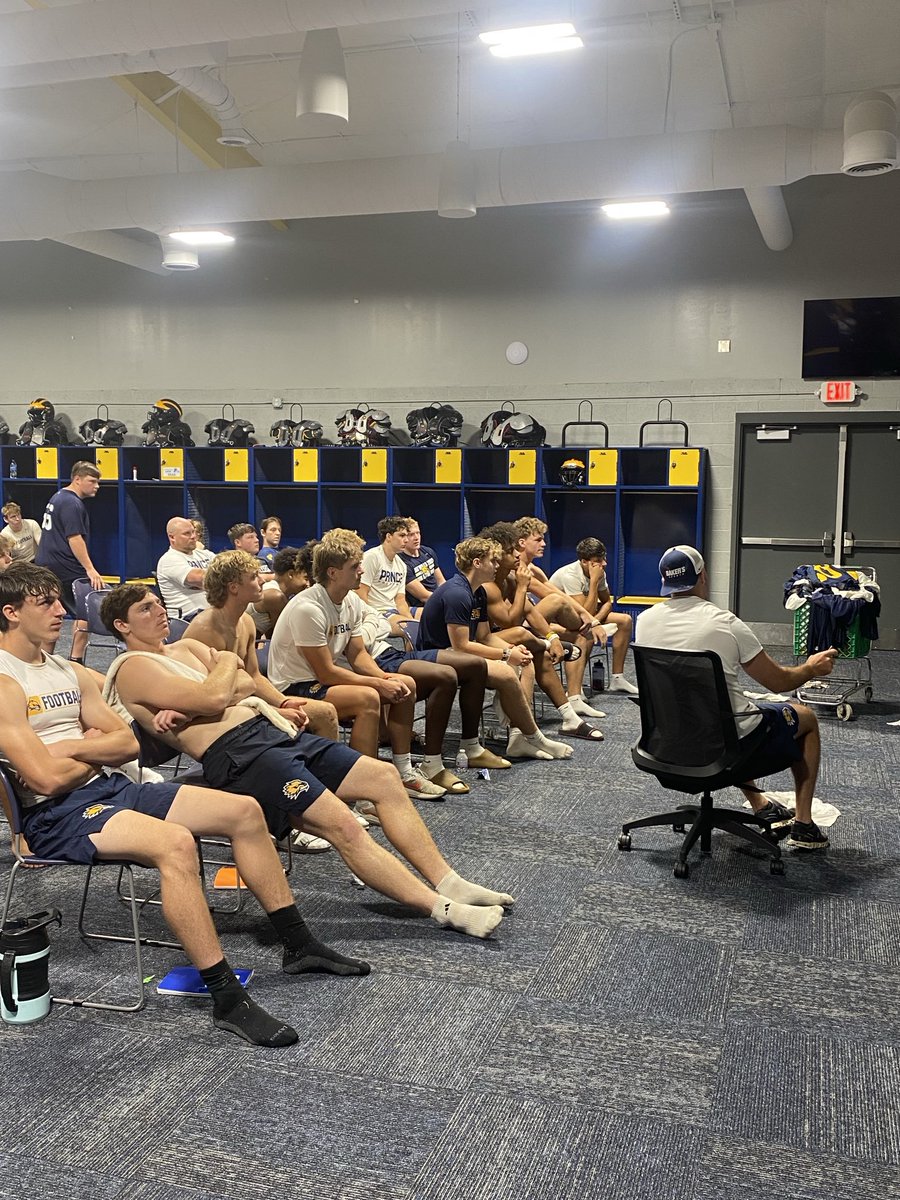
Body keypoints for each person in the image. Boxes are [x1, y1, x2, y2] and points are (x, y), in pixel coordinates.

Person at [0, 563, 369, 1048]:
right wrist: (92, 750)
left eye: (55, 598)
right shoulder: (6, 683)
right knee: (175, 843)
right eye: (44, 602)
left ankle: (299, 945)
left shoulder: (69, 671)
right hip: (55, 815)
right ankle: (226, 998)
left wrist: (74, 750)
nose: (59, 609)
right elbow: (44, 779)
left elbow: (127, 745)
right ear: (10, 612)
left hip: (111, 786)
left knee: (243, 812)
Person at [100, 584, 513, 939]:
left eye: (157, 603)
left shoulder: (186, 647)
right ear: (122, 625)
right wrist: (223, 669)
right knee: (343, 825)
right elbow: (220, 689)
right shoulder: (133, 668)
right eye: (145, 608)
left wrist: (208, 692)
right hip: (239, 756)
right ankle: (442, 909)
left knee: (384, 776)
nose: (159, 611)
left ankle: (450, 881)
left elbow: (245, 681)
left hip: (270, 732)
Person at [635, 545, 838, 850]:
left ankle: (760, 804)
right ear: (703, 576)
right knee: (805, 718)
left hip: (667, 741)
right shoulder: (724, 622)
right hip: (721, 744)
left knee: (728, 715)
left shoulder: (646, 620)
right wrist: (811, 668)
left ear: (665, 581)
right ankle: (805, 826)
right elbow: (780, 682)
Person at [179, 549, 342, 849]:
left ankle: (321, 808)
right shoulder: (206, 628)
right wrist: (270, 711)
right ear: (233, 587)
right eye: (253, 577)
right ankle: (285, 822)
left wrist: (281, 703)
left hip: (239, 706)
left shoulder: (245, 623)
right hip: (209, 721)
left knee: (324, 713)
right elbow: (210, 696)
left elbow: (254, 677)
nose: (262, 582)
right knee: (278, 734)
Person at [266, 530, 447, 796]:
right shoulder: (309, 608)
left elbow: (358, 655)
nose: (362, 571)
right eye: (355, 567)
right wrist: (376, 683)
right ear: (332, 572)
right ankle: (364, 789)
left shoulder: (348, 599)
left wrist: (384, 679)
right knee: (367, 698)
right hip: (295, 687)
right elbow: (326, 673)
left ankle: (404, 771)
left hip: (321, 681)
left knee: (404, 684)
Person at [417, 536, 574, 762]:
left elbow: (485, 637)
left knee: (525, 663)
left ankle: (518, 737)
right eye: (493, 561)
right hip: (435, 656)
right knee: (506, 672)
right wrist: (507, 654)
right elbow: (461, 645)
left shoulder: (478, 592)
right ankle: (536, 737)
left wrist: (514, 651)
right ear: (477, 563)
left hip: (459, 653)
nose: (498, 566)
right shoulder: (457, 593)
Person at [478, 522, 603, 742]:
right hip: (478, 643)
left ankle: (569, 718)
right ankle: (522, 734)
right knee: (524, 639)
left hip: (504, 637)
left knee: (541, 653)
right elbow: (511, 622)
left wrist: (552, 636)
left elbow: (529, 612)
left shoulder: (511, 578)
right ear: (497, 555)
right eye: (511, 551)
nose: (517, 554)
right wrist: (523, 588)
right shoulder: (488, 585)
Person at [549, 536, 639, 697]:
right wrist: (593, 583)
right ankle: (575, 688)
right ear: (584, 561)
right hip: (556, 622)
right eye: (598, 560)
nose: (603, 563)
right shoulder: (570, 575)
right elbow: (584, 612)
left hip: (583, 619)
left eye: (604, 558)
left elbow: (607, 603)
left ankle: (617, 678)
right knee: (586, 633)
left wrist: (596, 621)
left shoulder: (599, 572)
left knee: (625, 620)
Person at [34, 460, 103, 662]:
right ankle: (76, 661)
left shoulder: (57, 497)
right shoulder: (72, 503)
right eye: (92, 481)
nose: (96, 486)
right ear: (77, 479)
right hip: (66, 569)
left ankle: (45, 659)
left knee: (50, 615)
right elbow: (74, 538)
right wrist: (90, 569)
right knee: (86, 614)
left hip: (47, 567)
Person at [226, 522, 286, 635]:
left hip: (257, 603)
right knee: (275, 597)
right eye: (250, 537)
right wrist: (273, 576)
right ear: (237, 542)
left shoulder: (258, 560)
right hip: (243, 607)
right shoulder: (232, 562)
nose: (257, 540)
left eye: (256, 536)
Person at [156, 516, 215, 621]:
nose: (193, 537)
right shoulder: (169, 560)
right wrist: (224, 576)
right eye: (187, 534)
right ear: (172, 537)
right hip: (187, 619)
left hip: (211, 613)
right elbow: (201, 579)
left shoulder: (204, 554)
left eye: (193, 532)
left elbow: (226, 567)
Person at [358, 517, 413, 616]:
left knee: (430, 616)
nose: (406, 540)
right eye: (402, 536)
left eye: (407, 536)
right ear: (388, 537)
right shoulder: (372, 557)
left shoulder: (401, 565)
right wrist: (370, 618)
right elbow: (361, 593)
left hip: (393, 610)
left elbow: (400, 601)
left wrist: (410, 621)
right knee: (414, 628)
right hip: (377, 611)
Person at [400, 518, 446, 614]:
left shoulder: (428, 552)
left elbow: (441, 581)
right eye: (411, 535)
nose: (416, 538)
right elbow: (423, 596)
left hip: (438, 598)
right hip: (420, 606)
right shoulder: (402, 563)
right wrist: (447, 602)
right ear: (403, 538)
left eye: (418, 533)